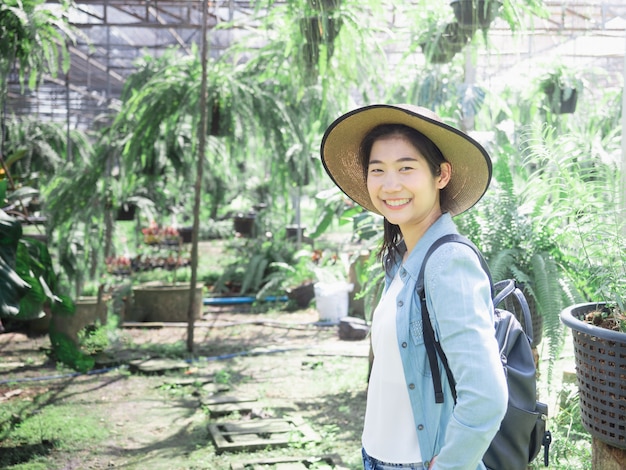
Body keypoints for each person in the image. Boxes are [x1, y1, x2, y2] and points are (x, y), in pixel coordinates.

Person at [320, 104, 508, 470]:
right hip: (378, 457)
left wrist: (451, 465)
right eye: (378, 171)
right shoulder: (402, 261)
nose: (390, 185)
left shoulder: (448, 264)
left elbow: (486, 396)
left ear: (441, 175)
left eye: (406, 168)